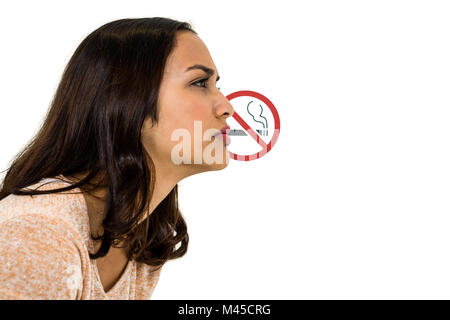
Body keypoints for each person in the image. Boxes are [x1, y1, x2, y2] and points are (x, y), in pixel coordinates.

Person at [0, 17, 234, 300]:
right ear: (126, 99)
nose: (226, 106)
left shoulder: (142, 236)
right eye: (199, 82)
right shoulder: (38, 235)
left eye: (216, 84)